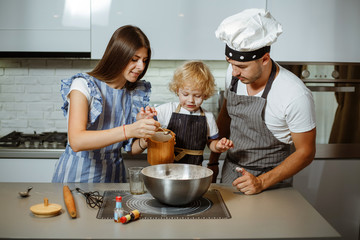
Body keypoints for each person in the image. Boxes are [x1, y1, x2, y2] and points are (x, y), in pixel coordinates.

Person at [208, 9, 316, 194]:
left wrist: (261, 182)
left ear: (265, 59)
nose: (234, 72)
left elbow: (306, 152)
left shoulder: (294, 94)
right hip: (230, 171)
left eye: (241, 66)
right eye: (230, 62)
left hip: (271, 182)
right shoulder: (235, 74)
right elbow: (227, 116)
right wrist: (212, 161)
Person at [52, 25, 159, 183]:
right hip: (76, 180)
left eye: (144, 60)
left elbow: (131, 149)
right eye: (134, 59)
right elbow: (77, 141)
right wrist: (130, 129)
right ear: (118, 56)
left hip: (114, 179)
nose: (141, 67)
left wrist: (145, 135)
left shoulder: (133, 92)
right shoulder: (83, 85)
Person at [139, 61, 233, 165]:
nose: (191, 100)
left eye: (197, 96)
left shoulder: (208, 117)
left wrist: (218, 146)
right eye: (185, 94)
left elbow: (211, 143)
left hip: (195, 171)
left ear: (205, 94)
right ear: (177, 90)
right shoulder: (168, 109)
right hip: (168, 168)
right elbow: (148, 122)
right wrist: (145, 117)